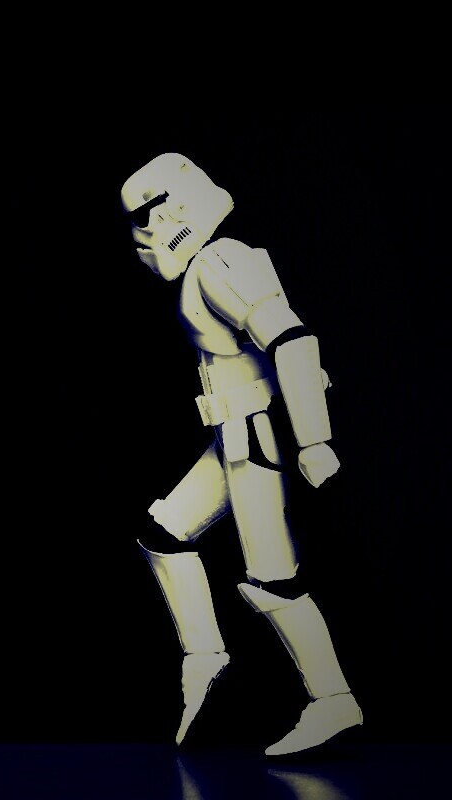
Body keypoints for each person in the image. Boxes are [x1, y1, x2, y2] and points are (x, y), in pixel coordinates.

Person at [121, 153, 362, 757]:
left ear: (173, 209)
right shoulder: (206, 266)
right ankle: (206, 658)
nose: (141, 237)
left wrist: (315, 440)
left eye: (144, 219)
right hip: (232, 436)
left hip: (255, 437)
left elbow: (292, 339)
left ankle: (333, 700)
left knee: (271, 579)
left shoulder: (219, 262)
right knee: (163, 533)